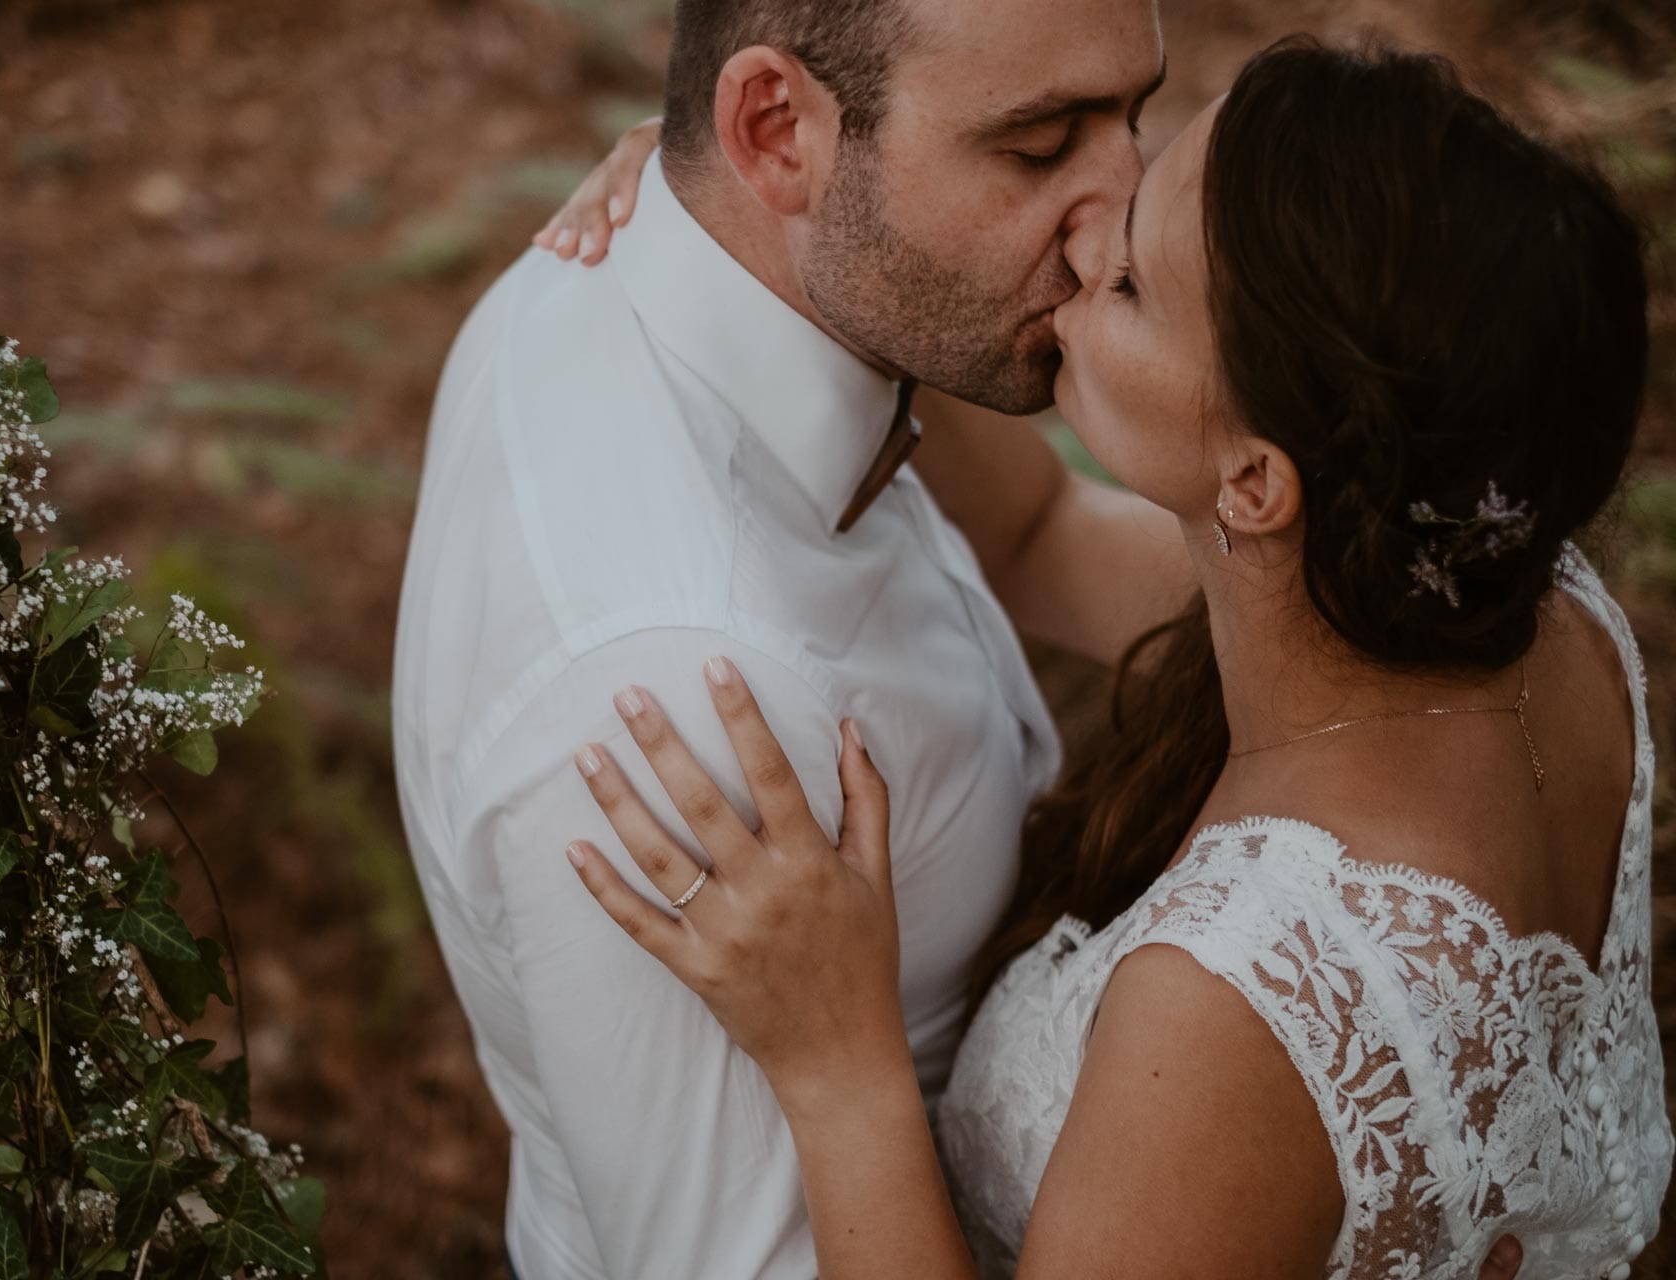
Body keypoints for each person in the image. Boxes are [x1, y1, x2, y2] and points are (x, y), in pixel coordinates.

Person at [553, 36, 1674, 1280]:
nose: (1085, 245)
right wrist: (771, 225)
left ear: (1252, 480)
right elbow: (1040, 533)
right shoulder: (1518, 615)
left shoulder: (1232, 1011)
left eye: (1131, 281)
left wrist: (838, 1069)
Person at [389, 0, 1191, 1273]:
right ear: (775, 130)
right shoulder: (681, 705)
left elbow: (1042, 532)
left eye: (1130, 119)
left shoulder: (724, 281)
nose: (1119, 224)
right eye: (1039, 149)